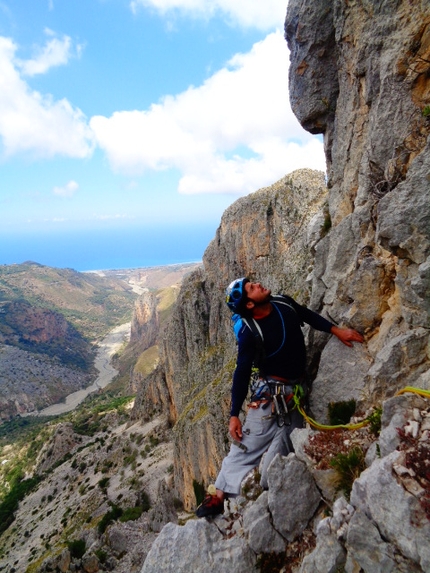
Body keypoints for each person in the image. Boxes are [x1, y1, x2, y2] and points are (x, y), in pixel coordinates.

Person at [195, 277, 364, 518]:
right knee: (245, 447)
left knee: (287, 446)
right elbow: (241, 373)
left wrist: (336, 330)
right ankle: (219, 495)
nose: (258, 285)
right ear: (250, 305)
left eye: (253, 283)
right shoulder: (249, 333)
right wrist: (234, 415)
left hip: (294, 393)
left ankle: (257, 491)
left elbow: (306, 314)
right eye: (251, 288)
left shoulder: (283, 302)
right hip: (270, 396)